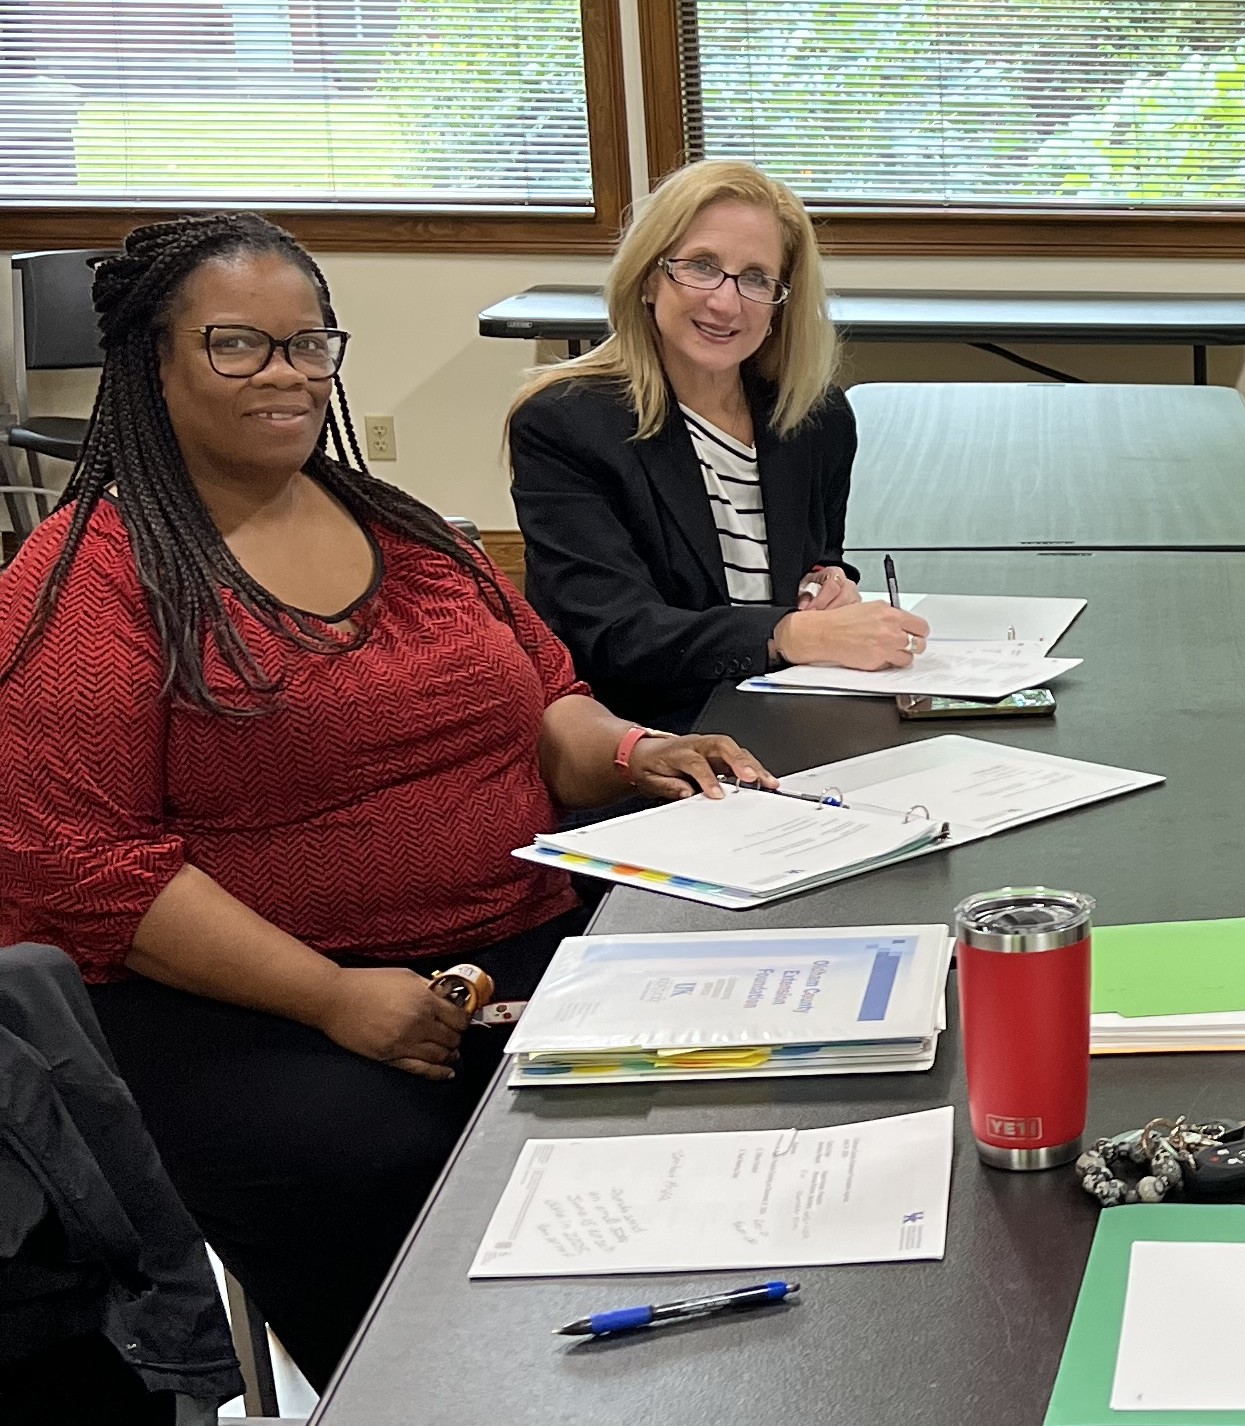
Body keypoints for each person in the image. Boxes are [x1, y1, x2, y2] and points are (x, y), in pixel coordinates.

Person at [0, 213, 774, 1388]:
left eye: (310, 344)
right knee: (414, 1201)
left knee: (722, 1098)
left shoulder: (405, 532)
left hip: (514, 943)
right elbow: (89, 864)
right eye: (237, 347)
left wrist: (630, 751)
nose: (288, 376)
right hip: (265, 1009)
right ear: (148, 364)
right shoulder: (85, 581)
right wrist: (332, 998)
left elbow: (544, 701)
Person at [509, 158, 926, 733]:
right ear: (649, 277)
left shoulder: (815, 419)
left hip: (786, 710)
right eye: (701, 266)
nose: (726, 303)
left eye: (756, 278)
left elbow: (814, 555)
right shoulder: (565, 425)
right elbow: (612, 634)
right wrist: (788, 633)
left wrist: (825, 583)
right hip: (653, 737)